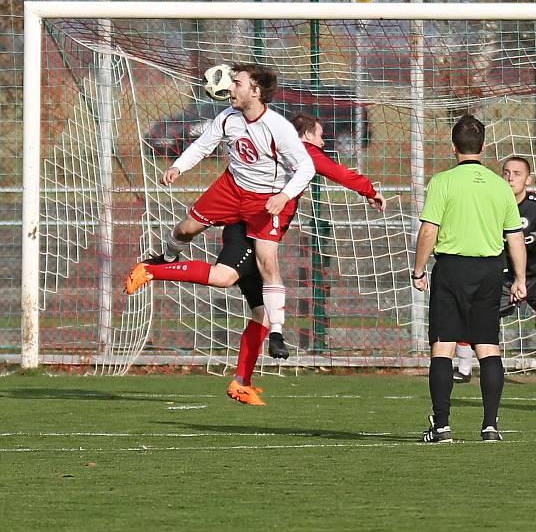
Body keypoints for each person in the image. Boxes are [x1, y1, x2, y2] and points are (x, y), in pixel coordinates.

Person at [127, 113, 385, 406]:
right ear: (305, 136)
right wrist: (371, 191)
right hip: (248, 232)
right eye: (320, 135)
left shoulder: (275, 145)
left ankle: (241, 383)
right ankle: (152, 270)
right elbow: (340, 173)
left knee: (261, 312)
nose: (323, 141)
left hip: (249, 227)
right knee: (225, 277)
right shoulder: (305, 152)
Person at [125, 64, 316, 360]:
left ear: (256, 91)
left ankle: (277, 332)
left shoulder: (277, 128)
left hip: (262, 200)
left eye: (237, 83)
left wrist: (283, 195)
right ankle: (167, 257)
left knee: (268, 262)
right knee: (184, 230)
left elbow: (307, 168)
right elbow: (203, 145)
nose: (230, 87)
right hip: (230, 187)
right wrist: (179, 166)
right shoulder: (228, 117)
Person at [412, 114, 527, 443]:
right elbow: (514, 236)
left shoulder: (443, 182)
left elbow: (429, 230)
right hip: (490, 270)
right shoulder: (499, 186)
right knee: (488, 347)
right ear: (484, 146)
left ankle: (442, 426)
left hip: (452, 269)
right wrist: (519, 278)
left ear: (453, 147)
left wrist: (418, 270)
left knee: (443, 347)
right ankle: (490, 425)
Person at [452, 156, 536, 384]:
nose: (510, 178)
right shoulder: (490, 202)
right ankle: (464, 368)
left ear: (529, 180)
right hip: (501, 273)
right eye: (506, 172)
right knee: (472, 313)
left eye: (517, 174)